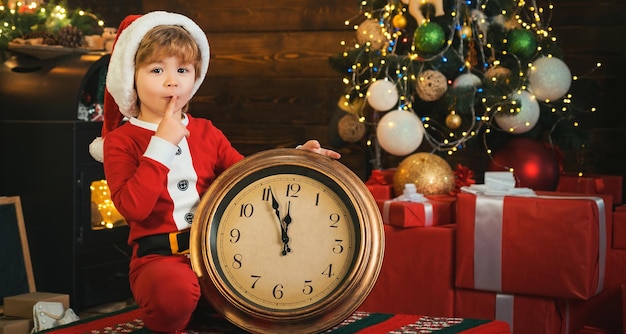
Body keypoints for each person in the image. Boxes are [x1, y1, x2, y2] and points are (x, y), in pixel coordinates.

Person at [88, 11, 340, 333]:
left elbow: (249, 178)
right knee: (173, 298)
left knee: (275, 301)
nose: (172, 80)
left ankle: (210, 310)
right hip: (161, 258)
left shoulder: (207, 132)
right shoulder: (121, 141)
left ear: (196, 77)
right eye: (156, 70)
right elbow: (134, 208)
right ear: (130, 77)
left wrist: (295, 160)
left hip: (222, 252)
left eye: (182, 70)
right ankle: (191, 308)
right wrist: (161, 145)